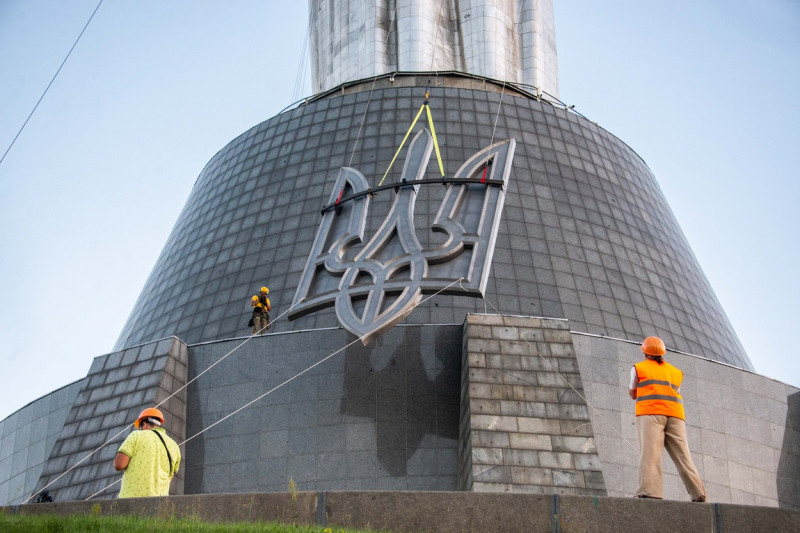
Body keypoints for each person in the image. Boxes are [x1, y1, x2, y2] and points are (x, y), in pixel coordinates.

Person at [629, 336, 706, 502]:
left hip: (650, 414)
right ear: (663, 353)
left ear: (644, 352)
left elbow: (632, 392)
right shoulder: (675, 372)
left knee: (650, 454)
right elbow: (675, 391)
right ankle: (698, 493)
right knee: (683, 456)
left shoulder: (638, 368)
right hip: (675, 416)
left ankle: (650, 492)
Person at [114, 407, 181, 498]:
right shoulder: (174, 446)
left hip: (130, 499)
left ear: (144, 425)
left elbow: (119, 465)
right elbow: (170, 477)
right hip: (159, 504)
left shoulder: (136, 435)